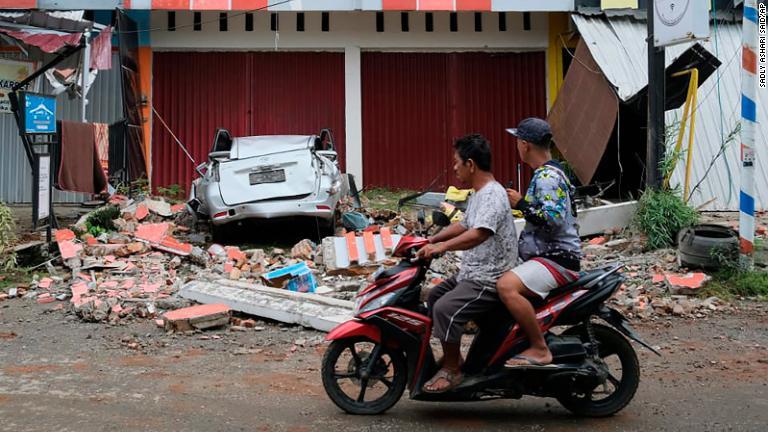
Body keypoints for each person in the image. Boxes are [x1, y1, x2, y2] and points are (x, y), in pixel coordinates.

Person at [415, 134, 517, 393]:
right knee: (436, 296)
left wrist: (442, 247)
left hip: (489, 277)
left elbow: (479, 233)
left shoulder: (493, 195)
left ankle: (452, 371)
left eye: (457, 163)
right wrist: (430, 238)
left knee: (445, 309)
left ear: (471, 164)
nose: (454, 168)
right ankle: (455, 357)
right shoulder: (478, 193)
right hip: (472, 271)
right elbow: (464, 224)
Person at [497, 118, 582, 367]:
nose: (516, 146)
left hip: (557, 260)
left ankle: (539, 348)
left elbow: (552, 220)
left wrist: (521, 204)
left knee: (506, 287)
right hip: (547, 257)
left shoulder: (546, 177)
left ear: (525, 145)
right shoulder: (549, 173)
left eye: (517, 141)